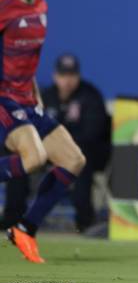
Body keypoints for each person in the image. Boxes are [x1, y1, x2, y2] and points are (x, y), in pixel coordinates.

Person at [0, 0, 86, 263]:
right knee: (33, 158)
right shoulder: (3, 8)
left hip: (27, 101)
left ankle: (25, 228)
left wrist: (35, 96)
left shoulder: (41, 6)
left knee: (74, 160)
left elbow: (28, 61)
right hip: (4, 102)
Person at [1, 54, 111, 234]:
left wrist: (59, 144)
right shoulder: (47, 96)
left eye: (71, 75)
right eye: (63, 75)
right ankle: (11, 220)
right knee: (23, 159)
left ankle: (85, 223)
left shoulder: (90, 96)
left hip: (85, 152)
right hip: (46, 150)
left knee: (79, 161)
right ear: (55, 76)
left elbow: (92, 134)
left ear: (78, 76)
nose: (67, 80)